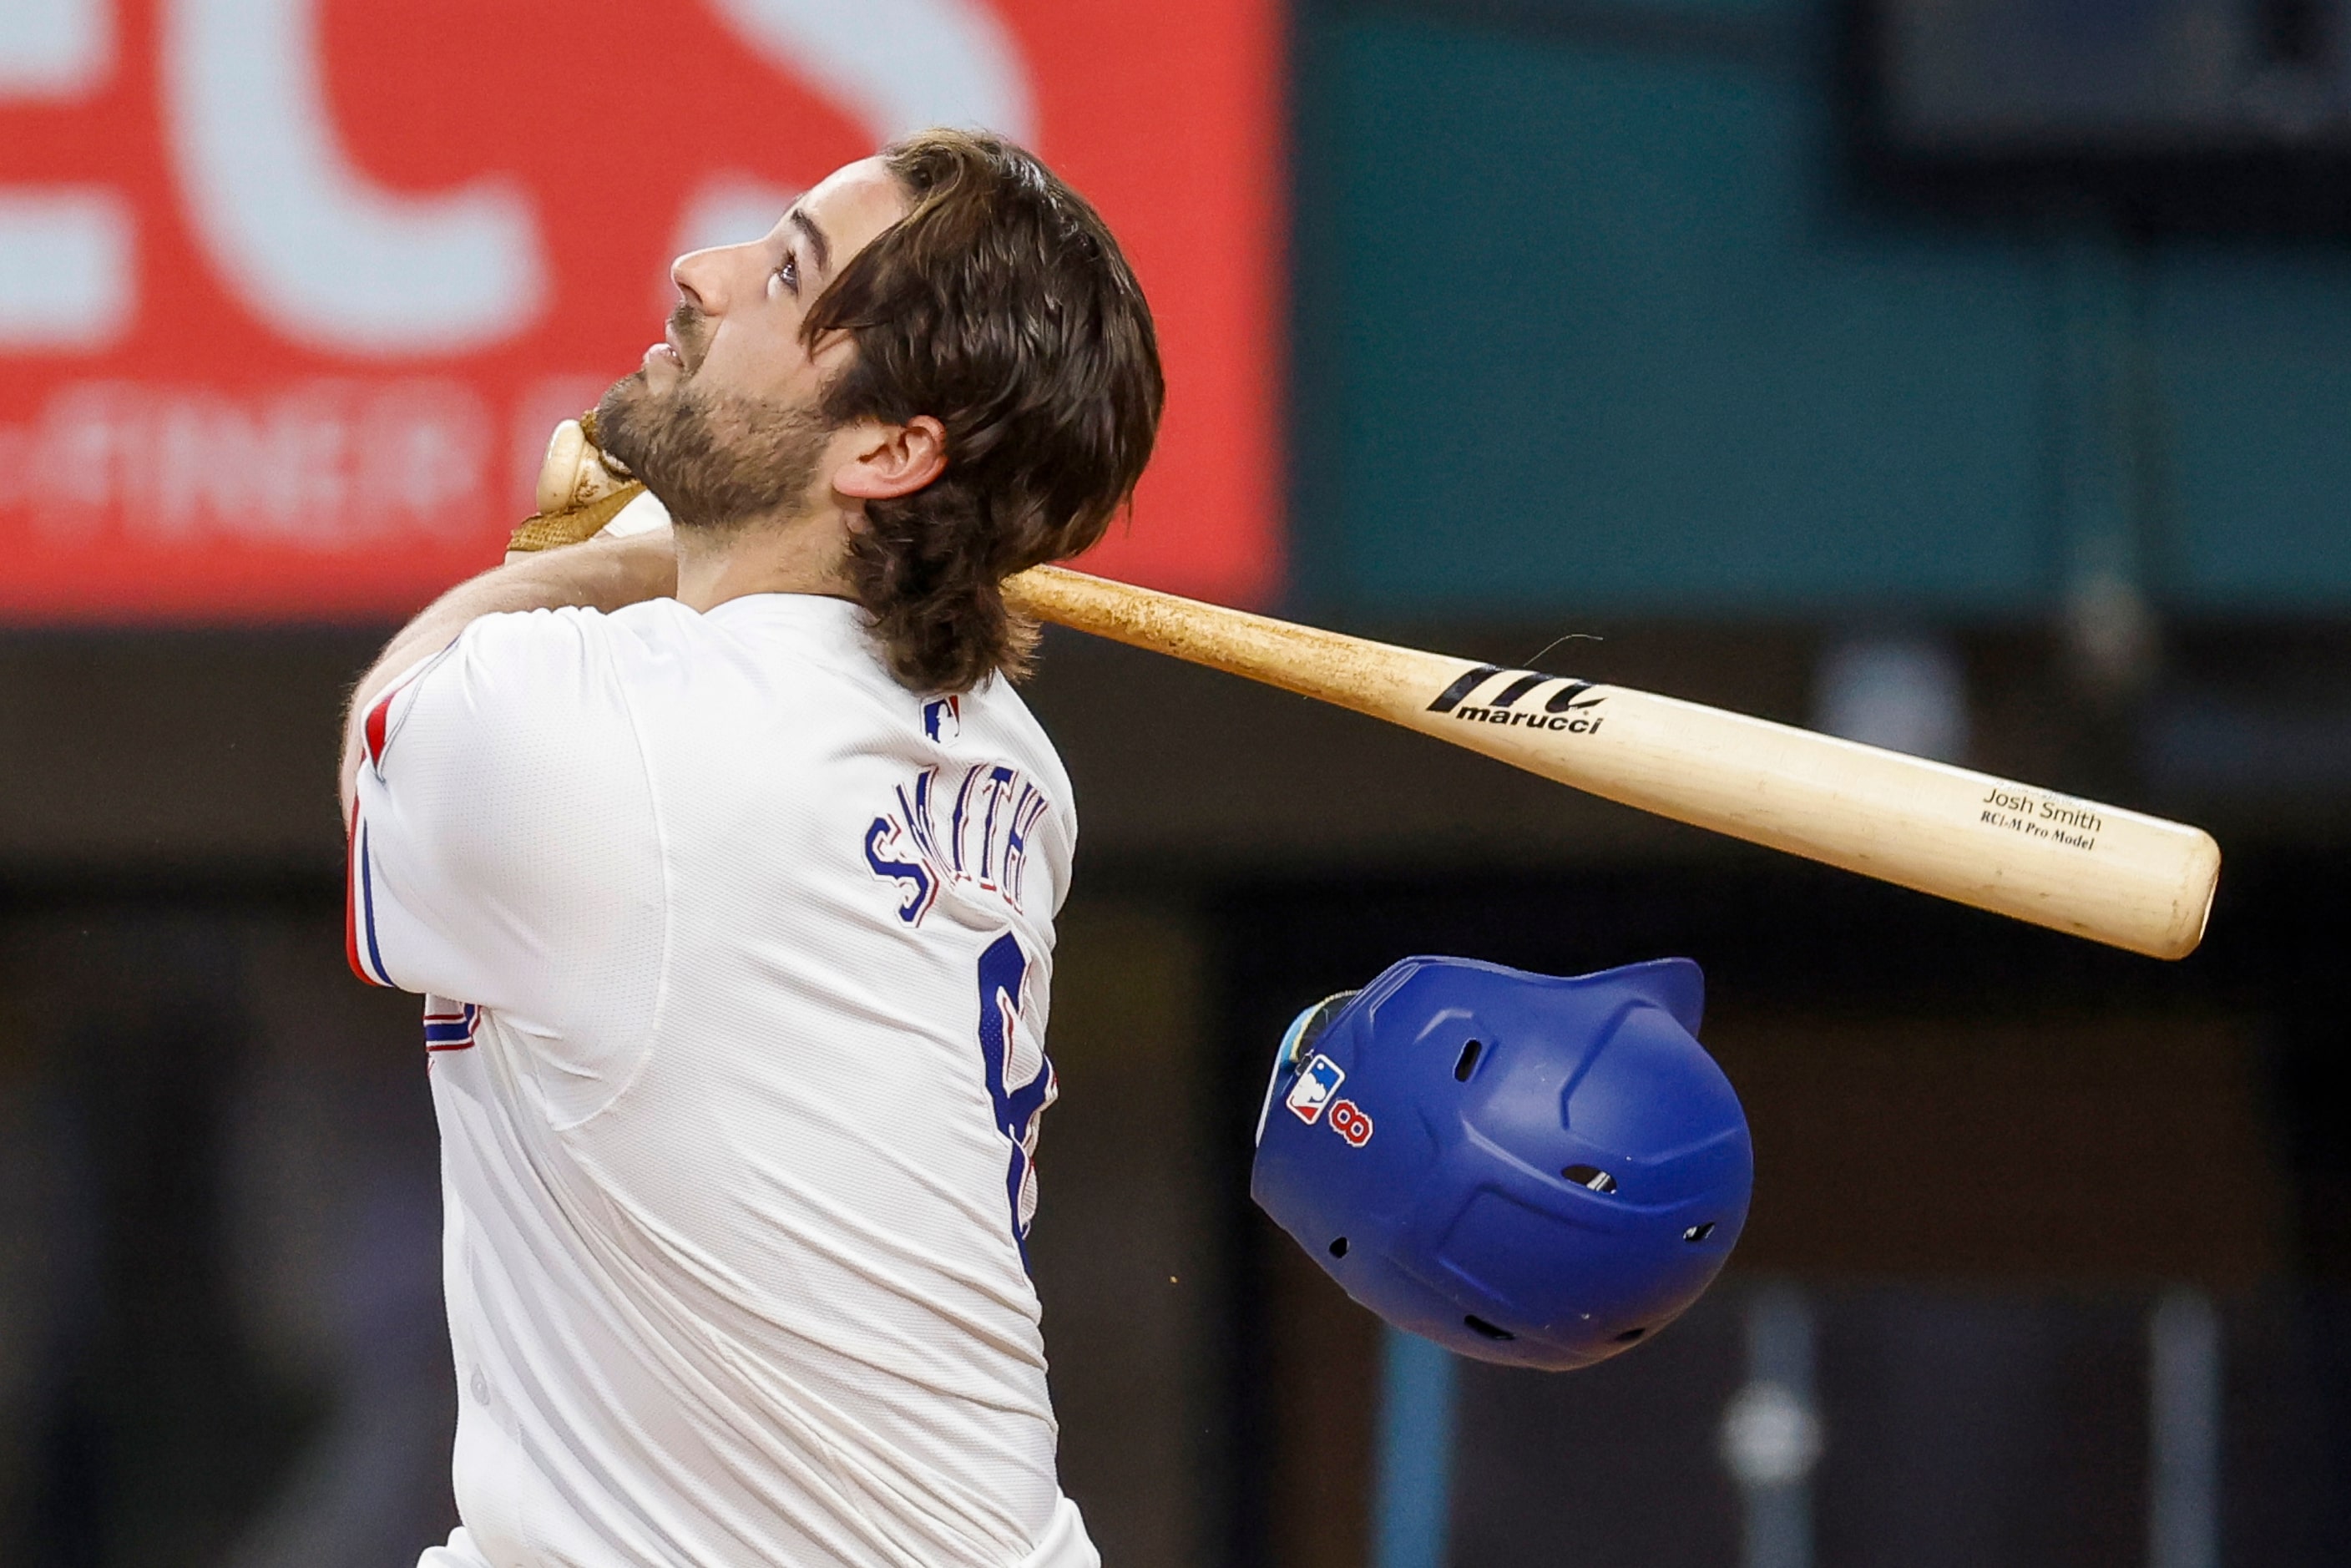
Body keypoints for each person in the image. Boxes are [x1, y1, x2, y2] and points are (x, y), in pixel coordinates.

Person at [336, 129, 1163, 1568]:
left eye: (785, 274)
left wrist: (584, 557)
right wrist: (689, 548)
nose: (698, 276)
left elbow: (380, 735)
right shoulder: (1012, 765)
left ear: (893, 449)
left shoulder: (610, 739)